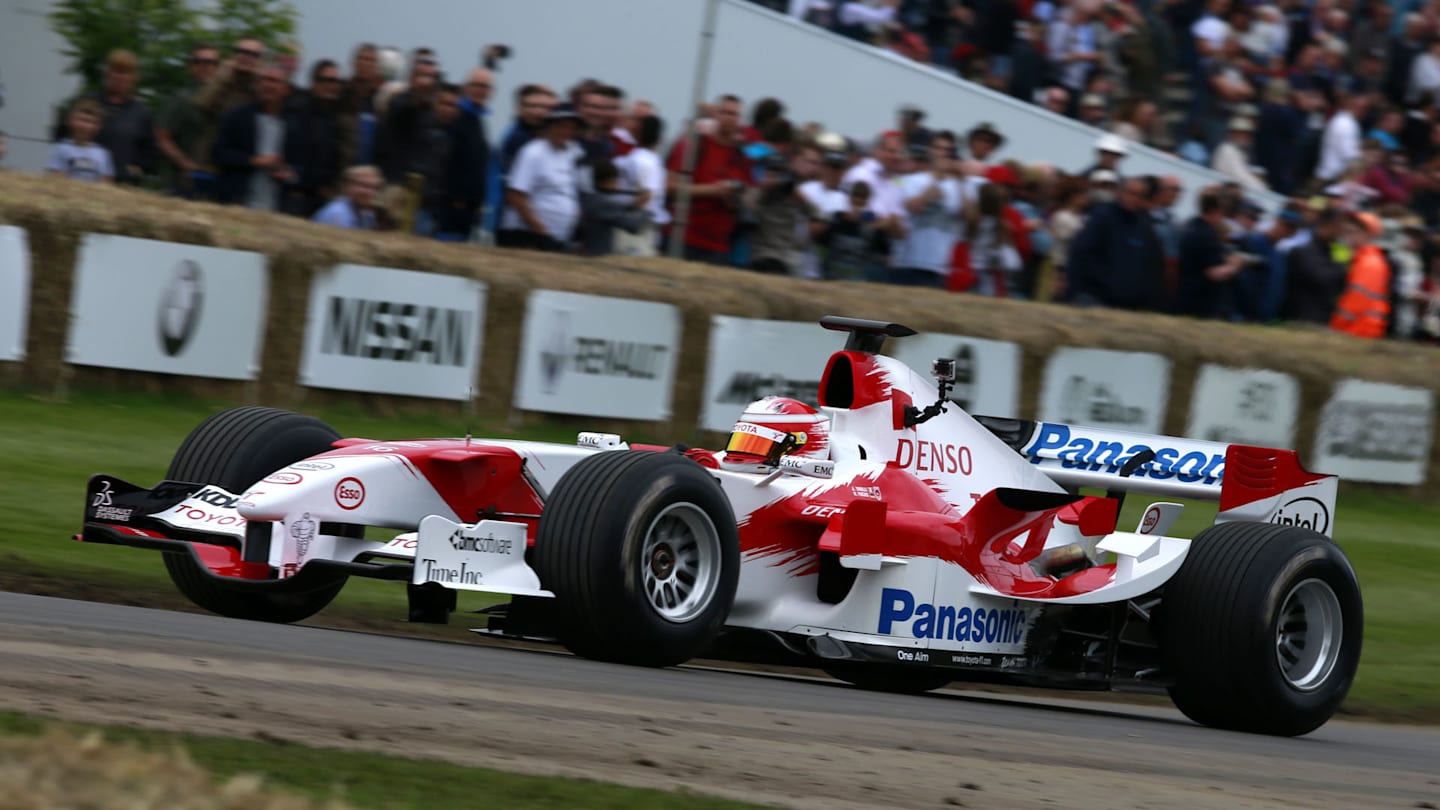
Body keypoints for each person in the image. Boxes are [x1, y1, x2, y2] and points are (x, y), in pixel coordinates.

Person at [666, 94, 754, 265]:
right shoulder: (693, 146)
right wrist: (713, 190)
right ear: (715, 115)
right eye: (724, 112)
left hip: (719, 245)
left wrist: (735, 200)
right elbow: (670, 187)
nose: (729, 118)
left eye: (734, 114)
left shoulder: (742, 156)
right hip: (684, 237)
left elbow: (747, 196)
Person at [53, 49, 154, 187]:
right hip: (81, 181)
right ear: (107, 73)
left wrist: (138, 169)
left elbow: (149, 152)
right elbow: (61, 134)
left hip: (123, 185)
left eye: (125, 72)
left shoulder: (142, 112)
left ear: (134, 78)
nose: (120, 77)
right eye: (116, 71)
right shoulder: (87, 102)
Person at [1065, 175, 1164, 310]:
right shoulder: (1102, 217)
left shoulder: (1144, 226)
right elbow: (1081, 252)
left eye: (1139, 195)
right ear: (1120, 192)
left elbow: (1150, 265)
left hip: (1126, 304)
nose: (1133, 198)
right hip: (1093, 297)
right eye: (1130, 193)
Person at [212, 64, 300, 210]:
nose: (267, 85)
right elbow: (218, 153)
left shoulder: (294, 124)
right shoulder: (237, 116)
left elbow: (300, 165)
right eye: (263, 80)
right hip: (239, 203)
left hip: (277, 207)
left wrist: (289, 174)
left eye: (274, 81)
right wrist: (254, 161)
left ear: (286, 89)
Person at [499, 103, 585, 251]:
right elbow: (516, 196)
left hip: (557, 239)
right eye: (561, 126)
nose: (566, 131)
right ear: (549, 126)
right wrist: (540, 231)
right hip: (526, 236)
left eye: (571, 127)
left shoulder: (573, 153)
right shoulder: (533, 152)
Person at [156, 42, 221, 198]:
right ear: (191, 66)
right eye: (199, 61)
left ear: (218, 68)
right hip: (182, 183)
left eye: (211, 62)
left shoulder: (224, 101)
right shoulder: (180, 99)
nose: (205, 66)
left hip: (215, 184)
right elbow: (162, 138)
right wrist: (185, 164)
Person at [1175, 189, 1249, 320]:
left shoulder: (1192, 226)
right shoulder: (1206, 235)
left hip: (1186, 298)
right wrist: (1235, 265)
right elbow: (1214, 273)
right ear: (1216, 210)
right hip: (1199, 305)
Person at [1330, 212, 1393, 338]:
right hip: (1359, 329)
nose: (1348, 234)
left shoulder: (1370, 263)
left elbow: (1356, 301)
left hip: (1359, 330)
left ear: (1368, 234)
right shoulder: (1360, 258)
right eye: (1347, 230)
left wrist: (1336, 327)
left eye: (1354, 231)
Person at [1282, 208, 1346, 324]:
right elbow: (1322, 278)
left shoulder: (1334, 251)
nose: (1341, 232)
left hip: (1325, 319)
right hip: (1301, 320)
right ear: (1326, 225)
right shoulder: (1302, 251)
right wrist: (1342, 264)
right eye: (1338, 227)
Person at [576, 159, 649, 256]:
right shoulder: (602, 203)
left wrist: (634, 206)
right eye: (614, 182)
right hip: (595, 257)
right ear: (603, 183)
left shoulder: (589, 198)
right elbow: (633, 226)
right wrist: (644, 209)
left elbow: (615, 210)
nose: (617, 187)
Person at [46, 99, 114, 183]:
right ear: (71, 121)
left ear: (97, 127)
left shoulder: (103, 154)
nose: (85, 126)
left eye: (90, 122)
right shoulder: (61, 149)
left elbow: (106, 184)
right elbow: (55, 179)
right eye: (82, 120)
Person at [312, 165, 383, 229]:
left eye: (375, 188)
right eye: (363, 186)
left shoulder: (367, 214)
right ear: (347, 186)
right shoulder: (337, 213)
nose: (370, 192)